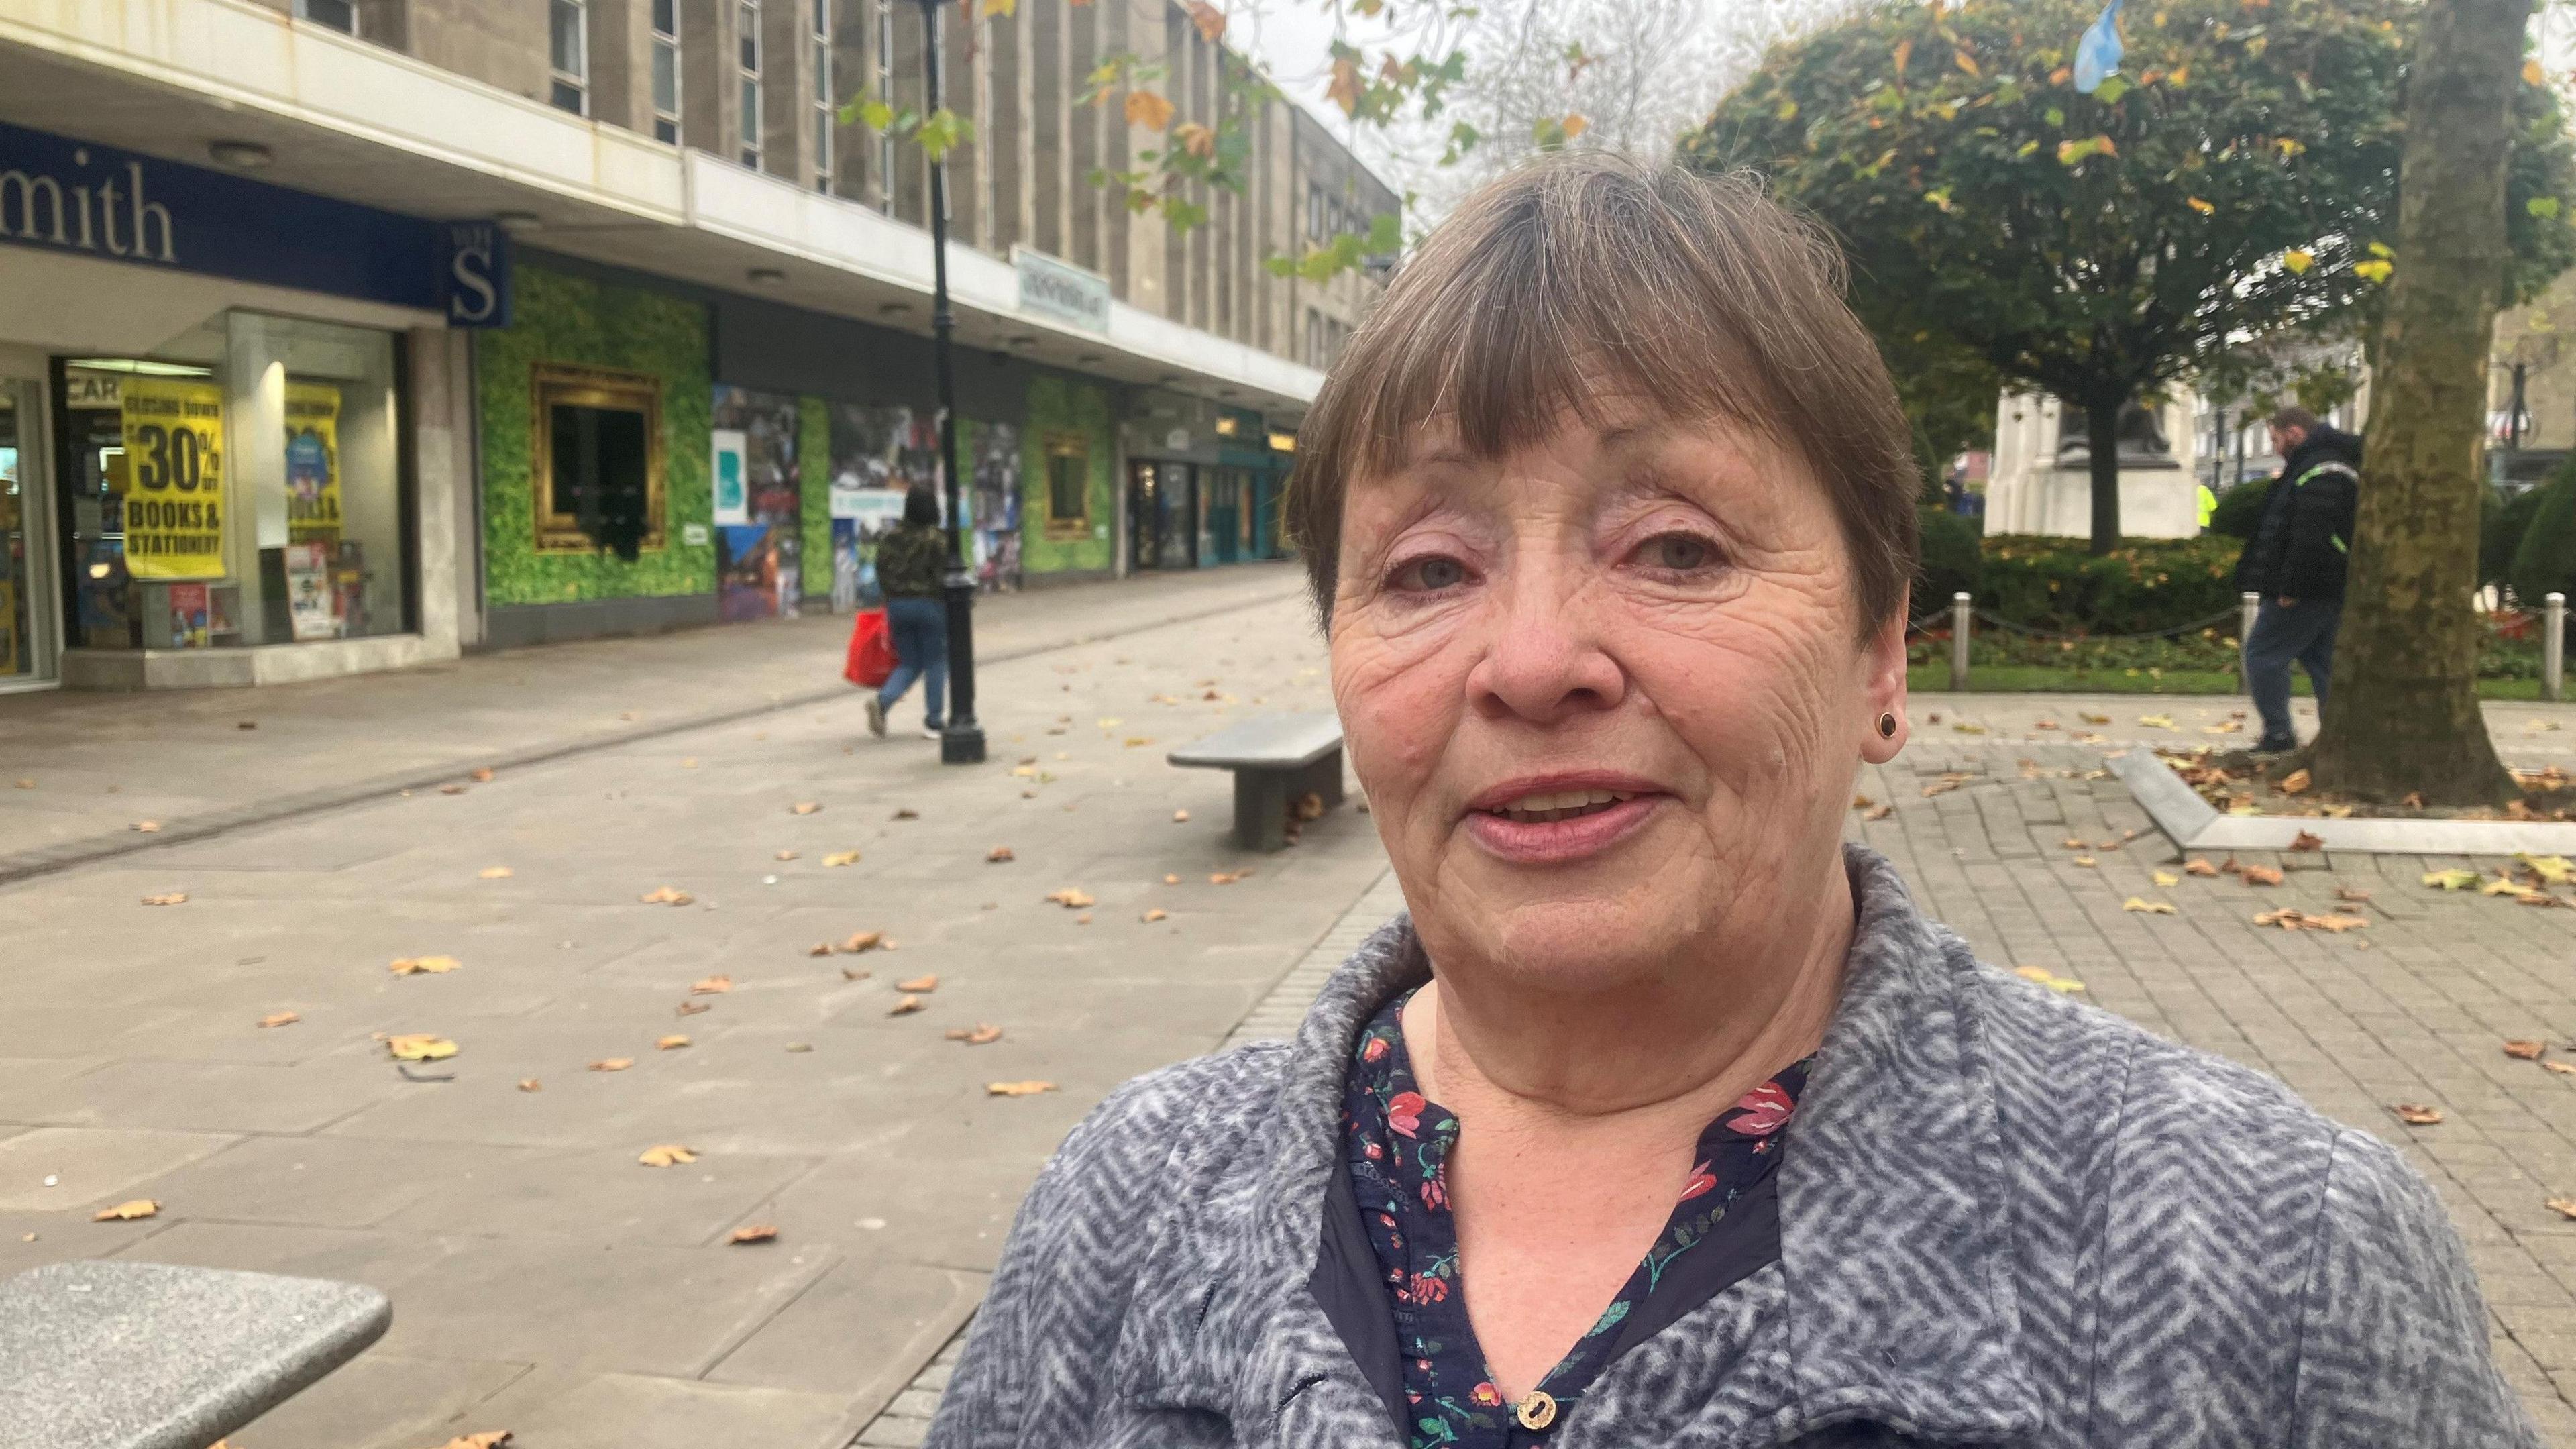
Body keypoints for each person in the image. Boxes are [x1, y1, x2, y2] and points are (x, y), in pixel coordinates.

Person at [926, 157, 2530, 1448]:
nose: (1532, 659)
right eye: (1426, 566)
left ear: (1882, 648)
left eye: (1676, 545)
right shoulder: (1122, 1207)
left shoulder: (2279, 1260)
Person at [2233, 406, 2362, 753]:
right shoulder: (2317, 466)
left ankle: (2278, 733)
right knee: (2320, 660)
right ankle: (2341, 735)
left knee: (2262, 654)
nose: (2275, 447)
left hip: (2308, 588)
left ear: (2294, 433)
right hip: (2326, 585)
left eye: (2275, 438)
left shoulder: (2321, 470)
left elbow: (2310, 538)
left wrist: (2292, 589)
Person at [865, 484, 949, 741]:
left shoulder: (890, 537)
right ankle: (934, 722)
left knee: (910, 662)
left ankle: (882, 702)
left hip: (897, 607)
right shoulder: (936, 538)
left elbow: (881, 570)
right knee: (936, 662)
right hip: (929, 606)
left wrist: (893, 597)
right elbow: (945, 575)